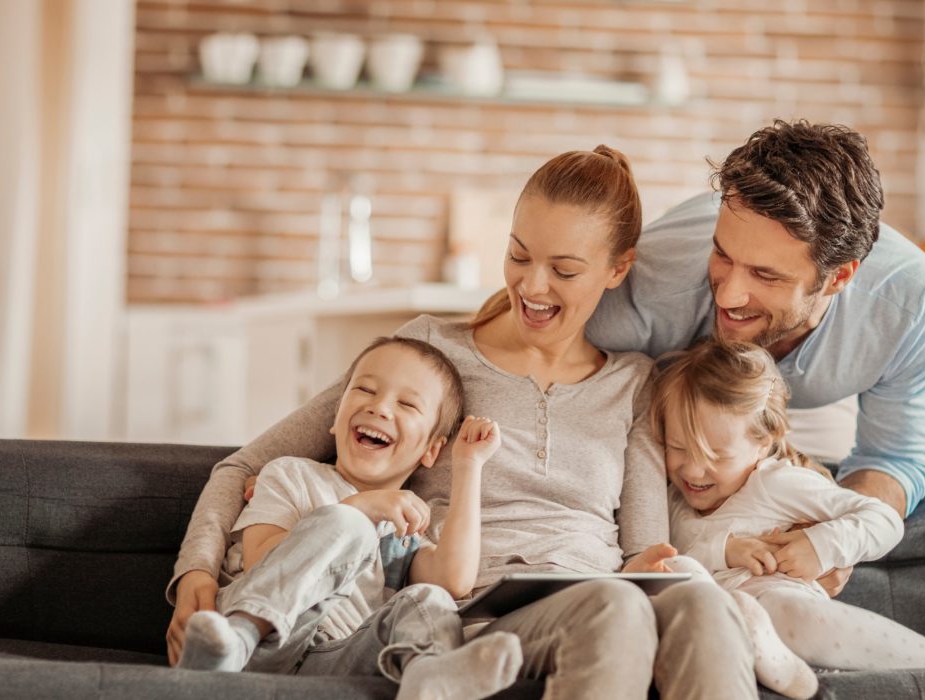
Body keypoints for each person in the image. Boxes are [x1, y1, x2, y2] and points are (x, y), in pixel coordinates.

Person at [166, 145, 759, 698]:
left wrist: (668, 562)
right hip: (467, 617)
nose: (532, 285)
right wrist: (195, 572)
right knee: (616, 606)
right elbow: (246, 465)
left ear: (617, 268)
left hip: (595, 591)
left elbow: (641, 548)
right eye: (519, 255)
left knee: (702, 606)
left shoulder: (634, 382)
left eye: (564, 270)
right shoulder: (425, 353)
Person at [586, 119, 925, 538]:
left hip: (778, 426)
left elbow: (895, 457)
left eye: (765, 274)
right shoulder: (644, 289)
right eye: (722, 255)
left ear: (838, 278)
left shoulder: (909, 302)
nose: (727, 297)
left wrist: (830, 537)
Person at [652, 338, 925, 699]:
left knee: (785, 610)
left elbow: (881, 518)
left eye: (717, 455)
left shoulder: (776, 482)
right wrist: (727, 550)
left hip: (776, 603)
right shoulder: (669, 497)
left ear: (763, 443)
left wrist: (819, 547)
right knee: (679, 568)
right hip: (707, 630)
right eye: (678, 448)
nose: (693, 471)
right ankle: (764, 652)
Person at [176, 336, 523, 700]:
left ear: (431, 450)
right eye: (365, 390)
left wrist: (469, 466)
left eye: (406, 403)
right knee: (349, 525)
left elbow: (454, 579)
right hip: (265, 644)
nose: (380, 408)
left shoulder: (402, 524)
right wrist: (357, 509)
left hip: (333, 662)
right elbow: (260, 557)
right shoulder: (290, 475)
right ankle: (235, 642)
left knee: (429, 598)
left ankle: (430, 677)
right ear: (335, 417)